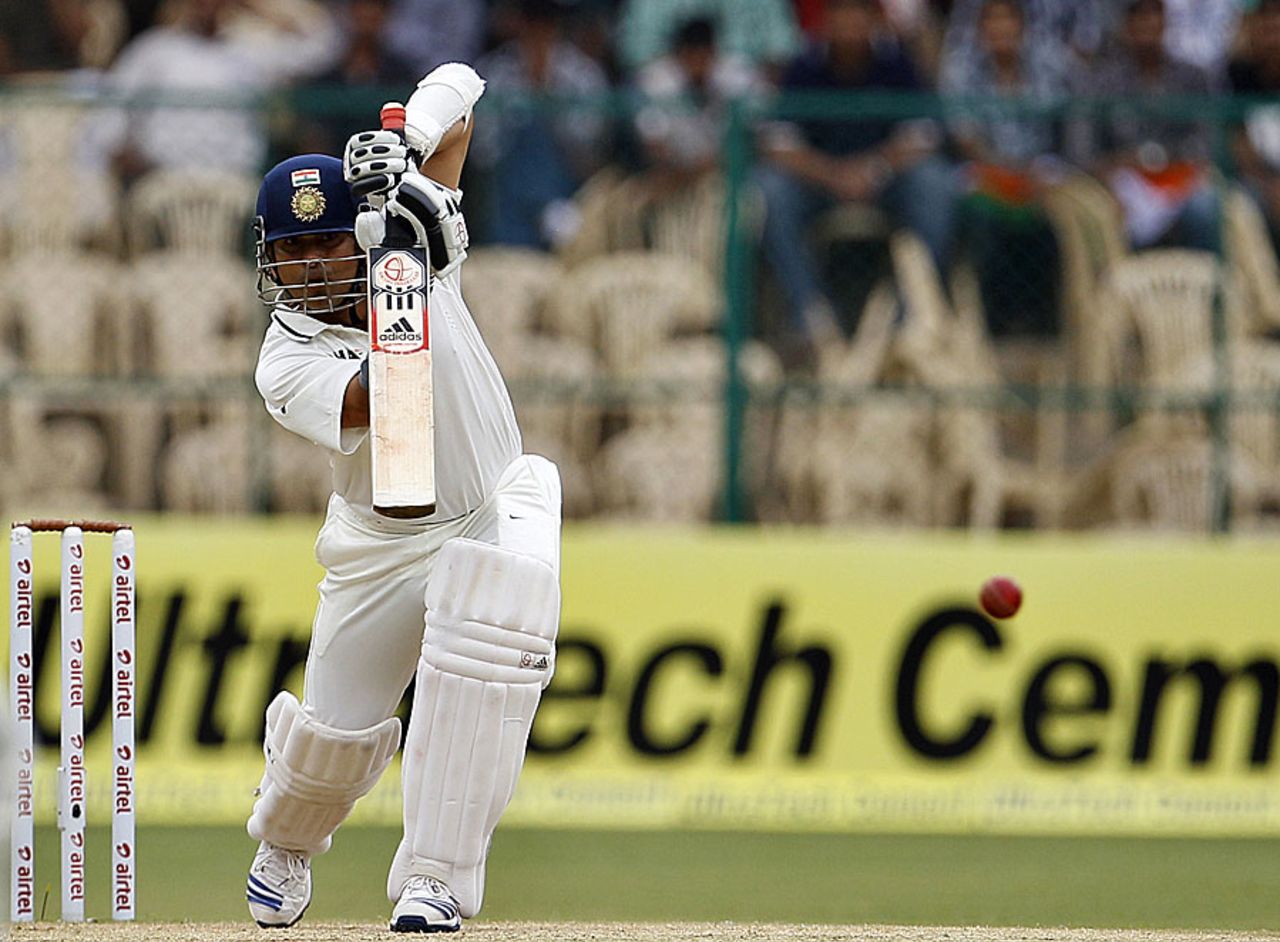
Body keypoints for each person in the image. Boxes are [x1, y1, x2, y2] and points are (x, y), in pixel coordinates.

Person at [243, 61, 563, 933]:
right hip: (378, 544)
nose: (310, 268)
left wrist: (409, 151)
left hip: (493, 502)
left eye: (327, 244)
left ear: (356, 231)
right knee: (332, 743)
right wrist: (411, 255)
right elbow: (388, 403)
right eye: (290, 251)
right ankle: (286, 838)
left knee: (490, 641)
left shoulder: (403, 231)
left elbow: (463, 86)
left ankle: (435, 883)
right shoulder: (287, 356)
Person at [755, 0, 956, 354]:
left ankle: (909, 320)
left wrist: (874, 169)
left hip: (885, 180)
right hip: (820, 182)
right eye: (839, 14)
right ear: (825, 21)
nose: (848, 23)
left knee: (935, 182)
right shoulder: (804, 66)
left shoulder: (897, 64)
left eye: (857, 13)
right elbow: (777, 143)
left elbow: (924, 137)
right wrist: (832, 174)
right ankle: (811, 317)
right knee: (768, 188)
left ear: (874, 20)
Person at [1067, 0, 1221, 252]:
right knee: (1109, 218)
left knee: (1205, 208)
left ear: (1165, 20)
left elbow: (1207, 141)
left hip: (1179, 179)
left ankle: (1209, 289)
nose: (1146, 22)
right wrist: (1112, 173)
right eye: (1138, 14)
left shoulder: (1193, 76)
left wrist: (1180, 169)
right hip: (1123, 183)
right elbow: (1080, 151)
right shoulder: (1099, 81)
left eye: (1153, 13)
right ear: (1125, 24)